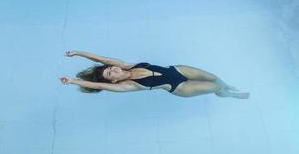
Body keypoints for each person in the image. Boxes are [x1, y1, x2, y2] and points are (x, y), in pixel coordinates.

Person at [59, 51, 250, 99]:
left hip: (178, 70)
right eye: (110, 74)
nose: (113, 69)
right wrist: (73, 81)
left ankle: (227, 86)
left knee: (213, 77)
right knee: (215, 87)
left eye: (110, 68)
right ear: (114, 80)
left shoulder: (127, 65)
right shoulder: (128, 85)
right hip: (180, 88)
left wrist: (77, 52)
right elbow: (100, 86)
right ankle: (227, 93)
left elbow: (101, 58)